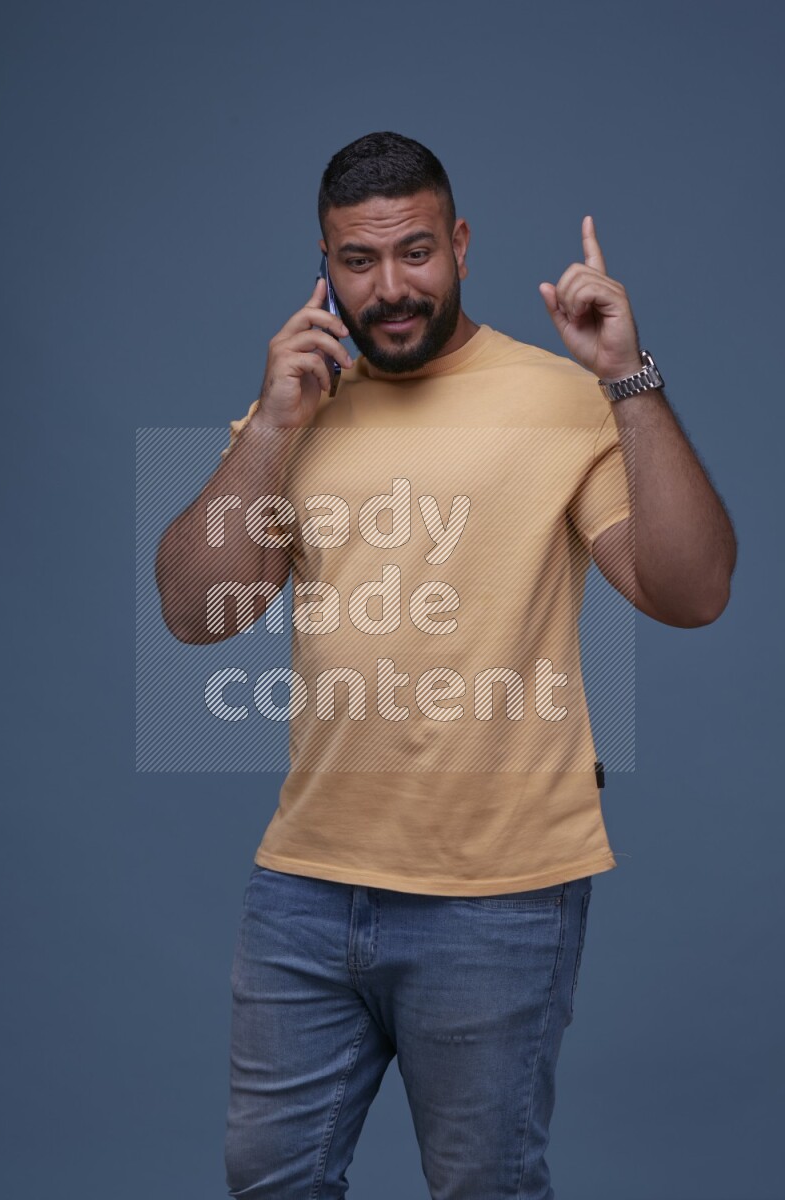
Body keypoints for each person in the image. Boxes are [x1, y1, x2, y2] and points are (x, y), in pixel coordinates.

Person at [155, 131, 737, 1199]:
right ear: (322, 265)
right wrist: (270, 423)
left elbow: (690, 593)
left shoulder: (560, 395)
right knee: (266, 1180)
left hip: (498, 894)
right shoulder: (301, 404)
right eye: (357, 261)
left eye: (414, 252)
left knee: (483, 1186)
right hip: (305, 885)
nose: (389, 289)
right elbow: (198, 613)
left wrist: (625, 378)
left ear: (460, 243)